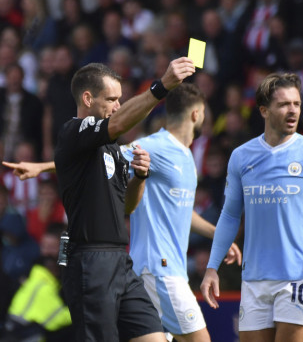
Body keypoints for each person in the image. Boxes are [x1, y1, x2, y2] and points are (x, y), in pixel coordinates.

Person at [4, 57, 197, 341]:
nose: (118, 106)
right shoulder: (73, 131)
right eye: (112, 99)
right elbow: (118, 122)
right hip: (88, 262)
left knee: (154, 338)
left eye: (120, 99)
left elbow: (127, 207)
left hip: (121, 260)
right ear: (87, 98)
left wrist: (140, 178)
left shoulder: (112, 149)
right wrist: (162, 86)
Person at [121, 83, 241, 342]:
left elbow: (183, 212)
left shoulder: (186, 155)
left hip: (159, 269)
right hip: (159, 268)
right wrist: (41, 168)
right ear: (196, 114)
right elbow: (103, 160)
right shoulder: (154, 146)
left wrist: (218, 235)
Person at [201, 73, 303, 342]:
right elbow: (230, 215)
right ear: (264, 110)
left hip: (297, 276)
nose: (292, 111)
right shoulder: (242, 156)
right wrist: (211, 267)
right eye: (284, 104)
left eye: (297, 104)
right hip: (253, 278)